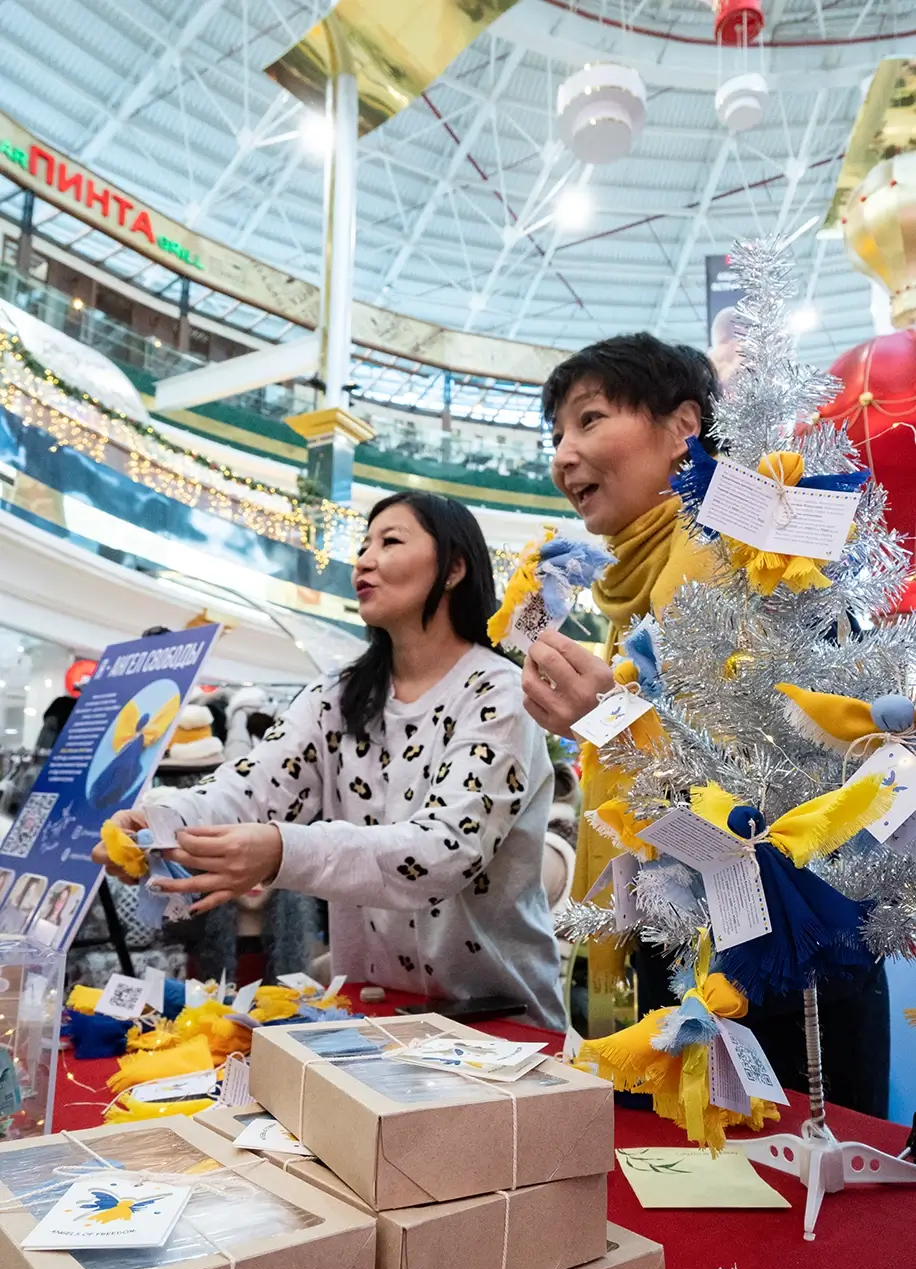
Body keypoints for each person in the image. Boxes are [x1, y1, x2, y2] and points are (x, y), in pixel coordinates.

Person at [520, 332, 890, 1115]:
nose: (564, 454)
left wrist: (611, 720)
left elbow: (786, 783)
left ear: (684, 426)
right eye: (556, 435)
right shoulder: (637, 592)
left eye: (588, 420)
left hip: (781, 963)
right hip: (667, 938)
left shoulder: (756, 556)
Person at [95, 492, 565, 1030]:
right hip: (374, 1015)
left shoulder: (500, 693)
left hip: (499, 1025)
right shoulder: (337, 696)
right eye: (364, 544)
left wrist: (281, 851)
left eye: (390, 541)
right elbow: (249, 789)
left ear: (454, 568)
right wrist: (160, 823)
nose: (363, 559)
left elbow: (442, 851)